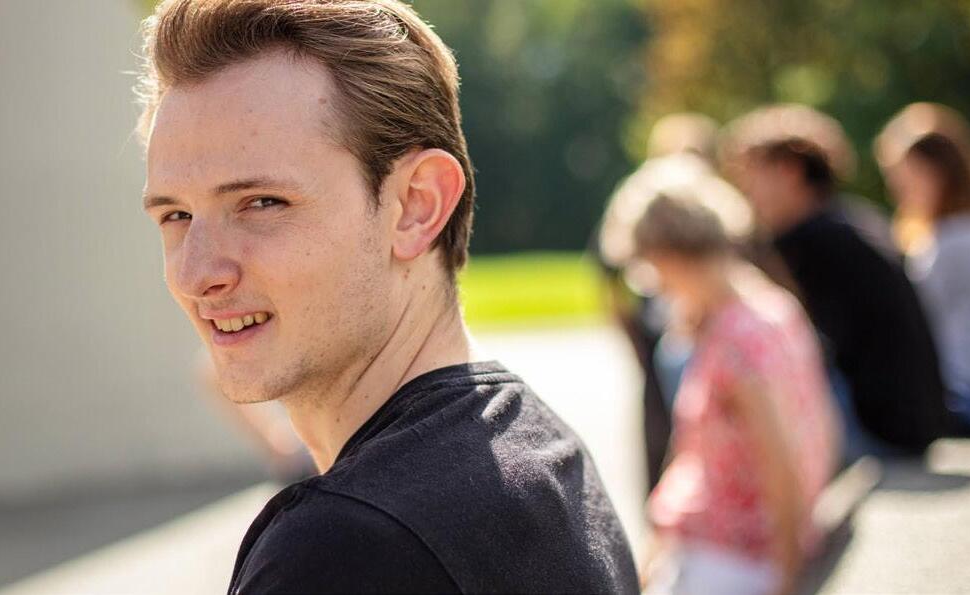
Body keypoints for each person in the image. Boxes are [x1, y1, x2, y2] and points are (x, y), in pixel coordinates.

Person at [135, 1, 639, 592]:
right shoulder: (544, 453)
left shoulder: (346, 547)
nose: (196, 273)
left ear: (416, 205)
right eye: (175, 215)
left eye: (262, 203)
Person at [620, 164, 840, 595]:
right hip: (730, 548)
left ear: (668, 256)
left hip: (737, 557)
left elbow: (781, 465)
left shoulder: (734, 342)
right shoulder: (774, 305)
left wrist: (787, 578)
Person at [721, 105, 951, 459]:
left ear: (788, 172)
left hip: (878, 430)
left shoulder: (814, 241)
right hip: (913, 421)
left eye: (753, 176)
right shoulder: (850, 220)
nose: (748, 194)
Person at [596, 113, 721, 493]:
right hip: (660, 333)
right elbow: (610, 275)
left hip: (696, 336)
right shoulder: (644, 200)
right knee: (665, 435)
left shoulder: (706, 201)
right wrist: (634, 338)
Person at [876, 103, 970, 438]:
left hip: (959, 396)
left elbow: (907, 320)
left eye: (905, 177)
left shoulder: (958, 239)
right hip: (965, 391)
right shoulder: (967, 231)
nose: (897, 190)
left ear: (938, 172)